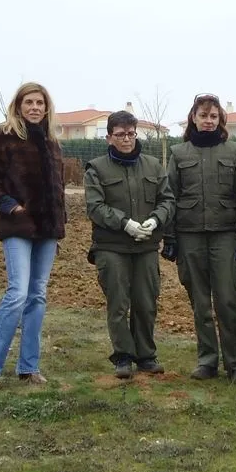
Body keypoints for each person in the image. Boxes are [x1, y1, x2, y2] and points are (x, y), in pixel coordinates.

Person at [0, 81, 66, 390]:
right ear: (18, 106)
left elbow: (58, 189)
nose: (35, 107)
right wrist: (9, 205)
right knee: (17, 294)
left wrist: (57, 223)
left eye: (40, 102)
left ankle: (29, 367)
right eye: (29, 102)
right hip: (19, 226)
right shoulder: (4, 136)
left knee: (37, 295)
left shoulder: (52, 142)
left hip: (47, 230)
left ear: (47, 107)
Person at [161, 94, 236, 384]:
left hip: (224, 235)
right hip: (189, 236)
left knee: (228, 300)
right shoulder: (178, 154)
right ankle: (207, 360)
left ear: (220, 119)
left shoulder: (234, 152)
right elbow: (169, 197)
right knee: (200, 303)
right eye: (203, 115)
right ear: (194, 118)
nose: (208, 121)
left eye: (214, 116)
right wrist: (169, 237)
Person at [84, 110, 175, 379]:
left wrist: (156, 220)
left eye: (131, 133)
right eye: (120, 134)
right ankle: (123, 356)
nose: (126, 139)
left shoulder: (153, 166)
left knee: (146, 302)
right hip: (111, 246)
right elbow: (95, 206)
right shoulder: (96, 169)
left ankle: (146, 355)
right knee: (118, 303)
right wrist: (124, 223)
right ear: (109, 138)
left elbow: (167, 200)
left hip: (145, 246)